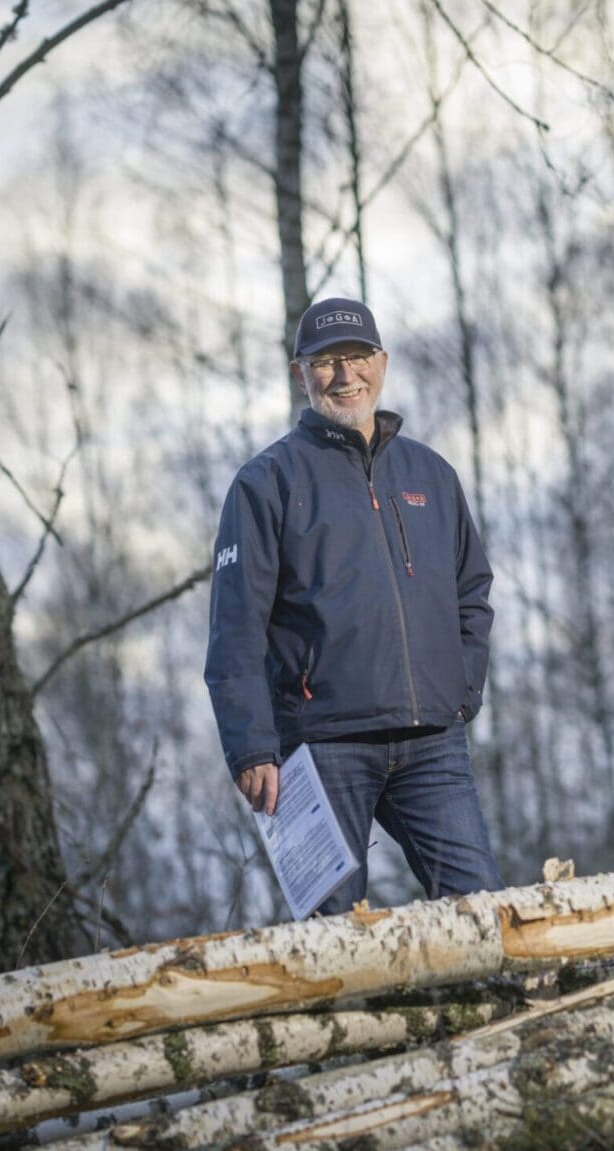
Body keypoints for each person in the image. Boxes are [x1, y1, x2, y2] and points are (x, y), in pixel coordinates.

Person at [205, 297, 503, 915]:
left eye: (359, 357)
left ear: (382, 362)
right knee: (332, 938)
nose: (346, 376)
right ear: (299, 374)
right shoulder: (265, 484)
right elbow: (235, 628)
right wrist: (252, 746)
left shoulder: (432, 474)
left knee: (481, 911)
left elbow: (472, 591)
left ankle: (484, 1014)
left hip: (431, 743)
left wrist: (462, 689)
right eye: (327, 362)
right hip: (320, 748)